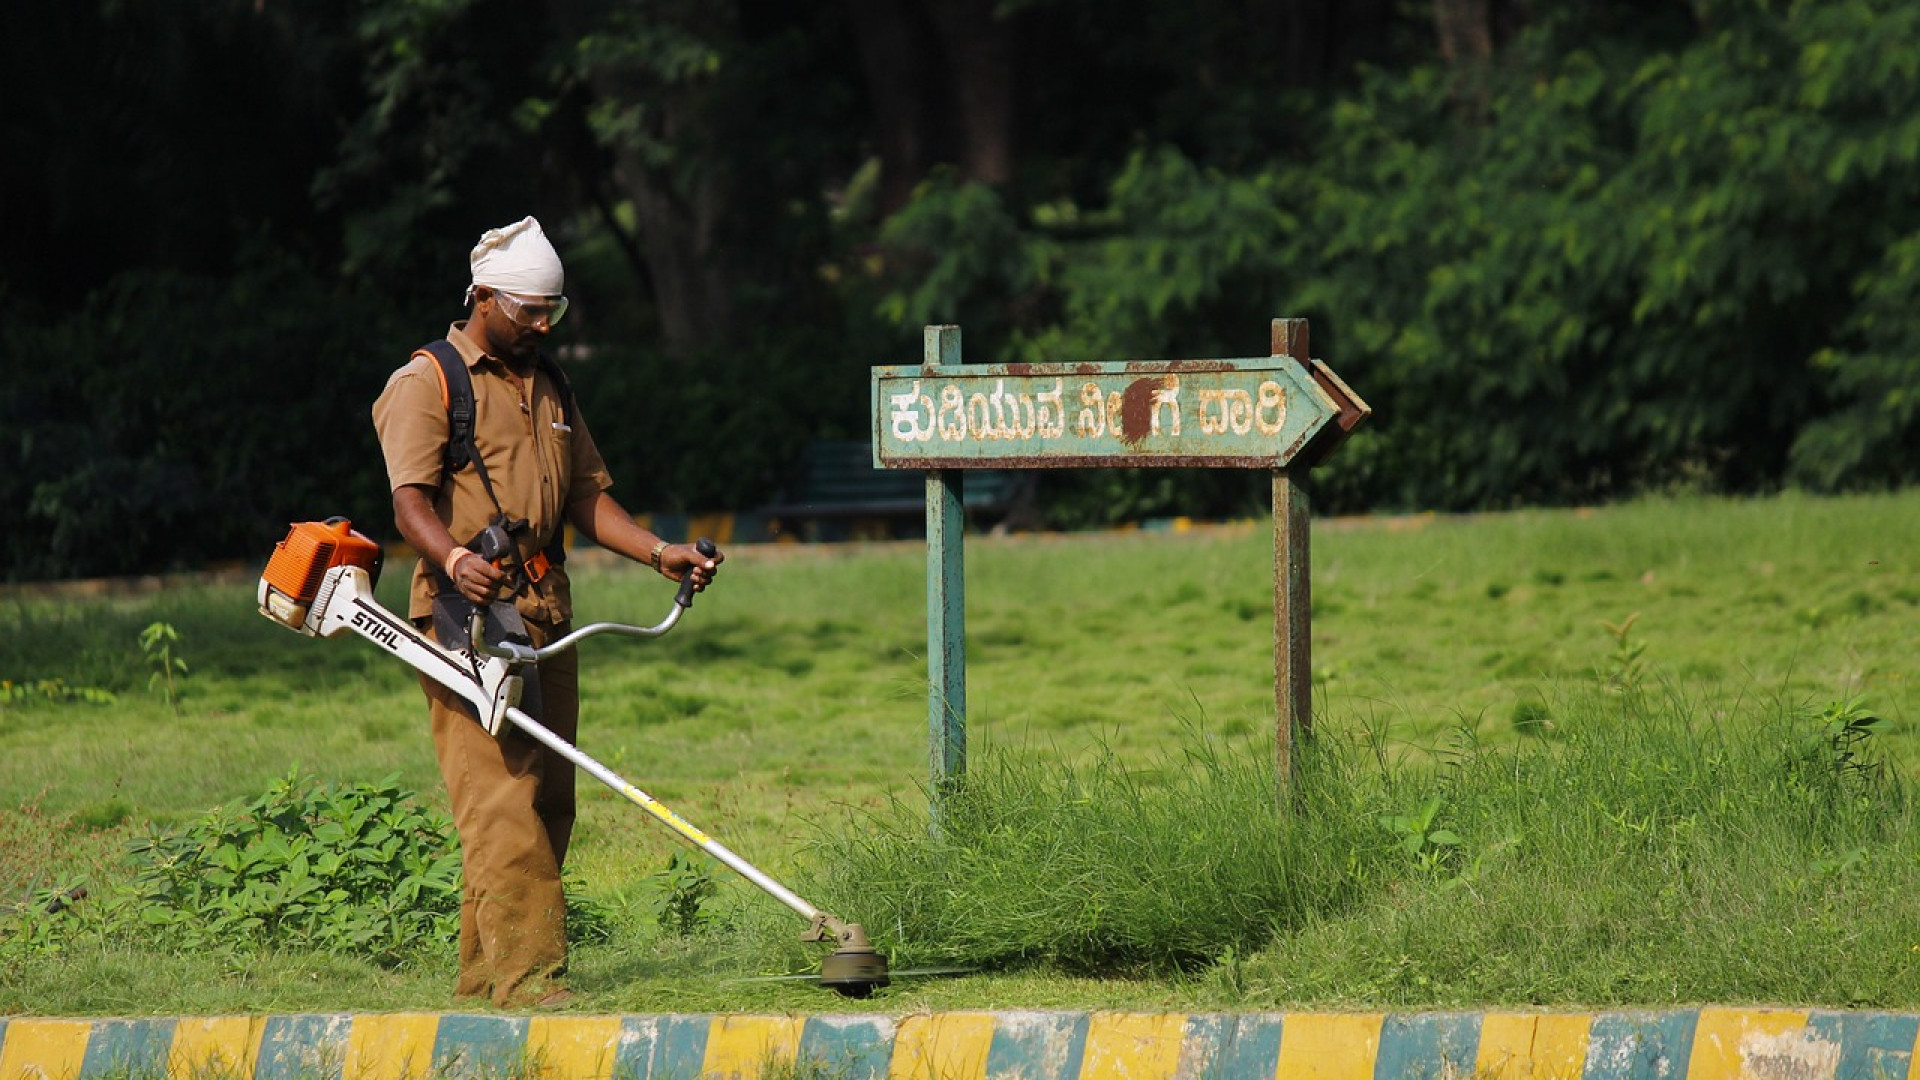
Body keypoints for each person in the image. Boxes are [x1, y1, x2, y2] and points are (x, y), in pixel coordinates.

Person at [371, 216, 721, 1008]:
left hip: (545, 614)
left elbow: (588, 495)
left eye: (552, 312)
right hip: (465, 620)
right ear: (485, 298)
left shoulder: (552, 385)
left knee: (545, 798)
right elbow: (408, 502)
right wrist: (454, 557)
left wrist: (658, 550)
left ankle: (482, 981)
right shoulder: (427, 381)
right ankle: (532, 987)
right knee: (500, 802)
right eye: (529, 310)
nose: (541, 324)